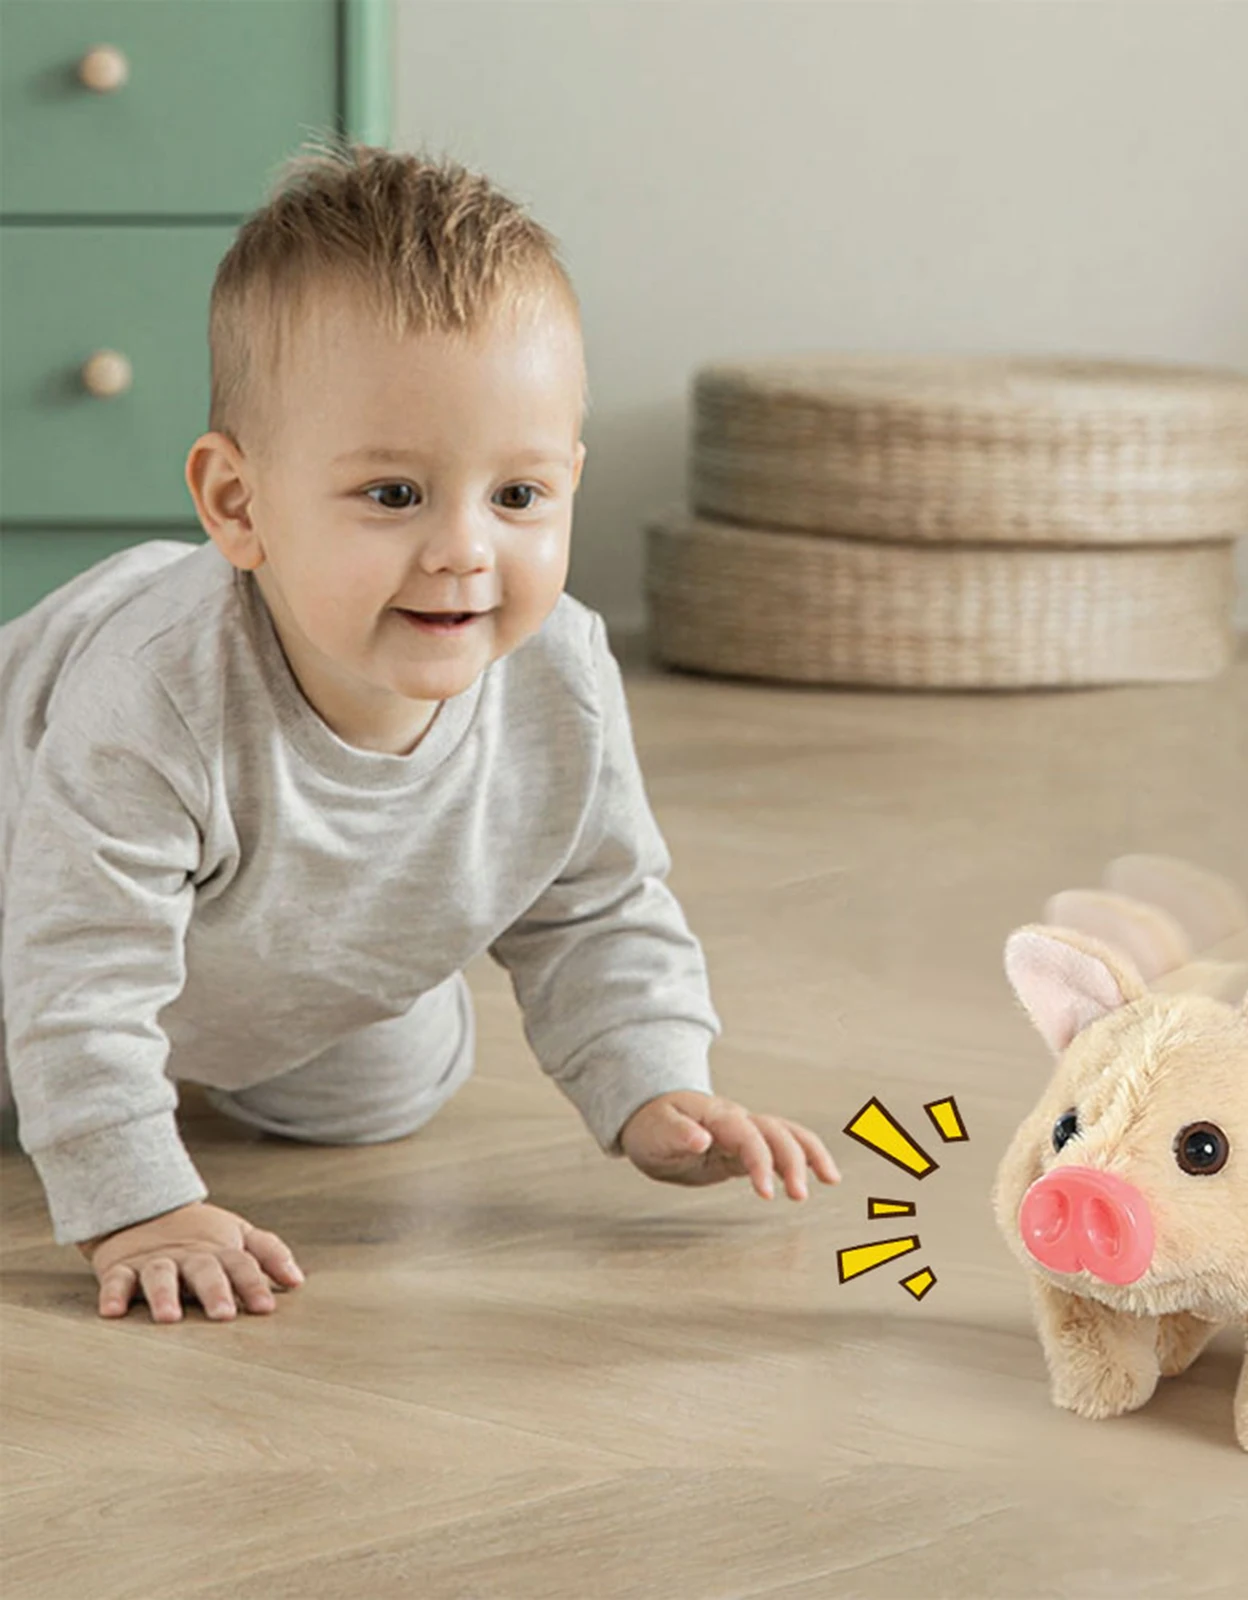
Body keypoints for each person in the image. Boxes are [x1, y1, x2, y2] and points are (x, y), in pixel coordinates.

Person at [0, 140, 839, 1326]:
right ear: (239, 505)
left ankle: (272, 1004)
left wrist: (655, 1086)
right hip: (22, 903)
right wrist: (136, 1202)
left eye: (518, 495)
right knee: (48, 1037)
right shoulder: (147, 702)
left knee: (386, 1087)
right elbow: (77, 972)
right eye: (394, 494)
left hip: (270, 950)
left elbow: (596, 904)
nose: (464, 550)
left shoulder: (565, 676)